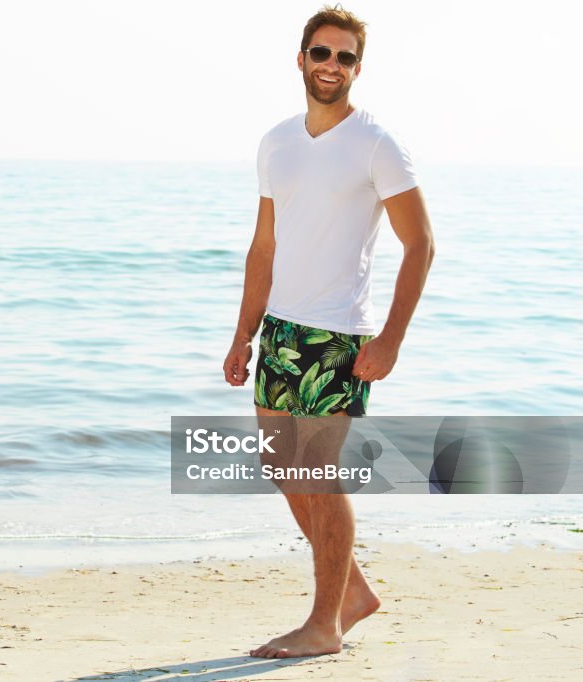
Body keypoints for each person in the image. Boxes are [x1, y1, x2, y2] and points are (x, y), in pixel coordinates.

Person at [222, 5, 435, 658]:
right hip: (281, 331)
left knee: (318, 470)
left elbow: (420, 243)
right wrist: (243, 334)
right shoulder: (277, 142)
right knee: (281, 465)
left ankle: (324, 626)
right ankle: (353, 593)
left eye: (345, 57)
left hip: (338, 337)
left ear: (357, 69)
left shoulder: (377, 143)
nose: (332, 66)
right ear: (302, 59)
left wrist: (392, 338)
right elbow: (264, 246)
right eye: (322, 53)